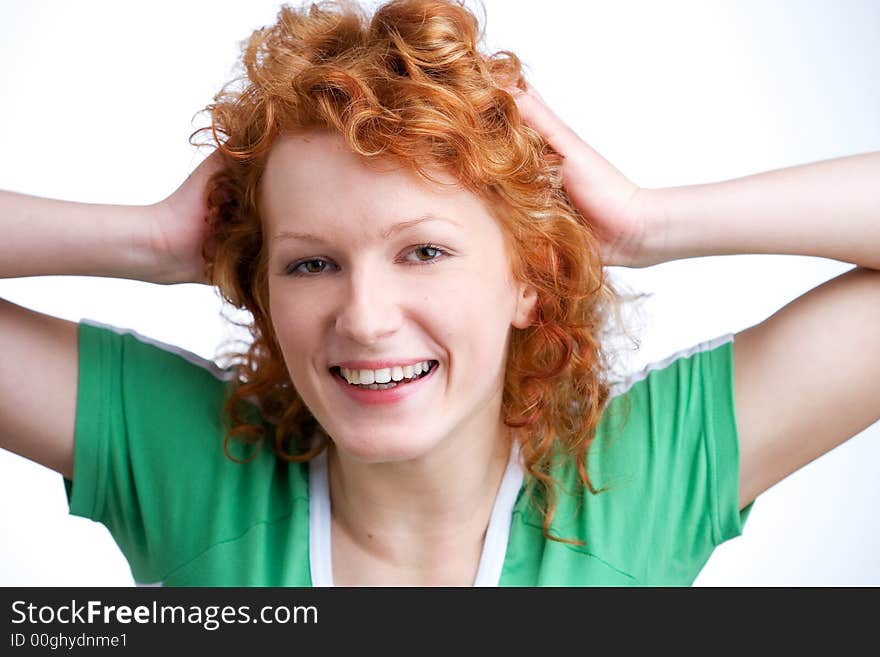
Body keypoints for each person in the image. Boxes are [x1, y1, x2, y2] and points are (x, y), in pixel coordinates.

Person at [1, 0, 878, 586]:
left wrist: (647, 224)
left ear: (528, 281)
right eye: (310, 263)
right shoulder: (188, 463)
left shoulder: (642, 477)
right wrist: (147, 239)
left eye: (422, 250)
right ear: (262, 292)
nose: (366, 317)